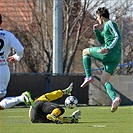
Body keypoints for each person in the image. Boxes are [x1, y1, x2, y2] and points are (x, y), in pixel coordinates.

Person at [80, 7, 122, 113]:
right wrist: (96, 31)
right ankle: (115, 99)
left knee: (85, 51)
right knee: (104, 81)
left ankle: (88, 76)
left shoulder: (110, 23)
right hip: (115, 58)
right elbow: (102, 41)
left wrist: (108, 48)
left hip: (110, 53)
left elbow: (117, 37)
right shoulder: (105, 28)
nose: (97, 20)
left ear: (102, 17)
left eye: (97, 17)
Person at [0, 14, 34, 110]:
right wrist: (16, 57)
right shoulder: (8, 35)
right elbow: (20, 49)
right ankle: (21, 98)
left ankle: (21, 98)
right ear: (1, 22)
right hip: (3, 69)